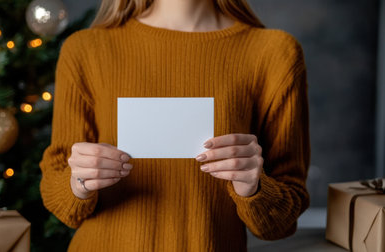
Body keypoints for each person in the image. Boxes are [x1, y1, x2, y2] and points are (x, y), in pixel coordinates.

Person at [38, 0, 310, 251]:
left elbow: (281, 223)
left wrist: (254, 188)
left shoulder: (274, 53)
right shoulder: (85, 50)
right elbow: (60, 199)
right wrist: (78, 183)